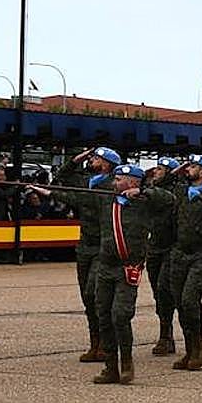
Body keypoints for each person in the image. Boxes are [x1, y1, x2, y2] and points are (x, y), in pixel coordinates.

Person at [91, 164, 174, 385]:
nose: (114, 183)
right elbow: (72, 193)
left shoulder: (144, 203)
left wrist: (144, 192)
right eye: (115, 179)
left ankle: (126, 363)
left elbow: (169, 200)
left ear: (133, 182)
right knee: (104, 315)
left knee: (120, 314)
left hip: (128, 267)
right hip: (106, 266)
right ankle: (110, 366)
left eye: (119, 179)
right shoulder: (106, 199)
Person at [155, 155, 202, 372]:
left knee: (189, 301)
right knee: (179, 302)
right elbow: (161, 184)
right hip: (179, 255)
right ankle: (189, 350)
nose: (188, 170)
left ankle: (198, 349)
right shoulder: (181, 193)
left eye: (193, 167)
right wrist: (181, 167)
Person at [56, 147, 122, 362]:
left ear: (107, 164)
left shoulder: (113, 184)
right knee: (87, 297)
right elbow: (62, 176)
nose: (91, 160)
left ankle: (106, 343)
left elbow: (80, 200)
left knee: (97, 295)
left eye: (95, 158)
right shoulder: (87, 181)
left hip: (103, 247)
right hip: (85, 245)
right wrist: (76, 159)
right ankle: (95, 344)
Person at [144, 158, 180, 354]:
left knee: (165, 291)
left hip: (171, 249)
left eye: (160, 169)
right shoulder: (149, 192)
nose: (155, 172)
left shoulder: (176, 193)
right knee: (158, 294)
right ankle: (165, 333)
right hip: (154, 248)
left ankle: (167, 336)